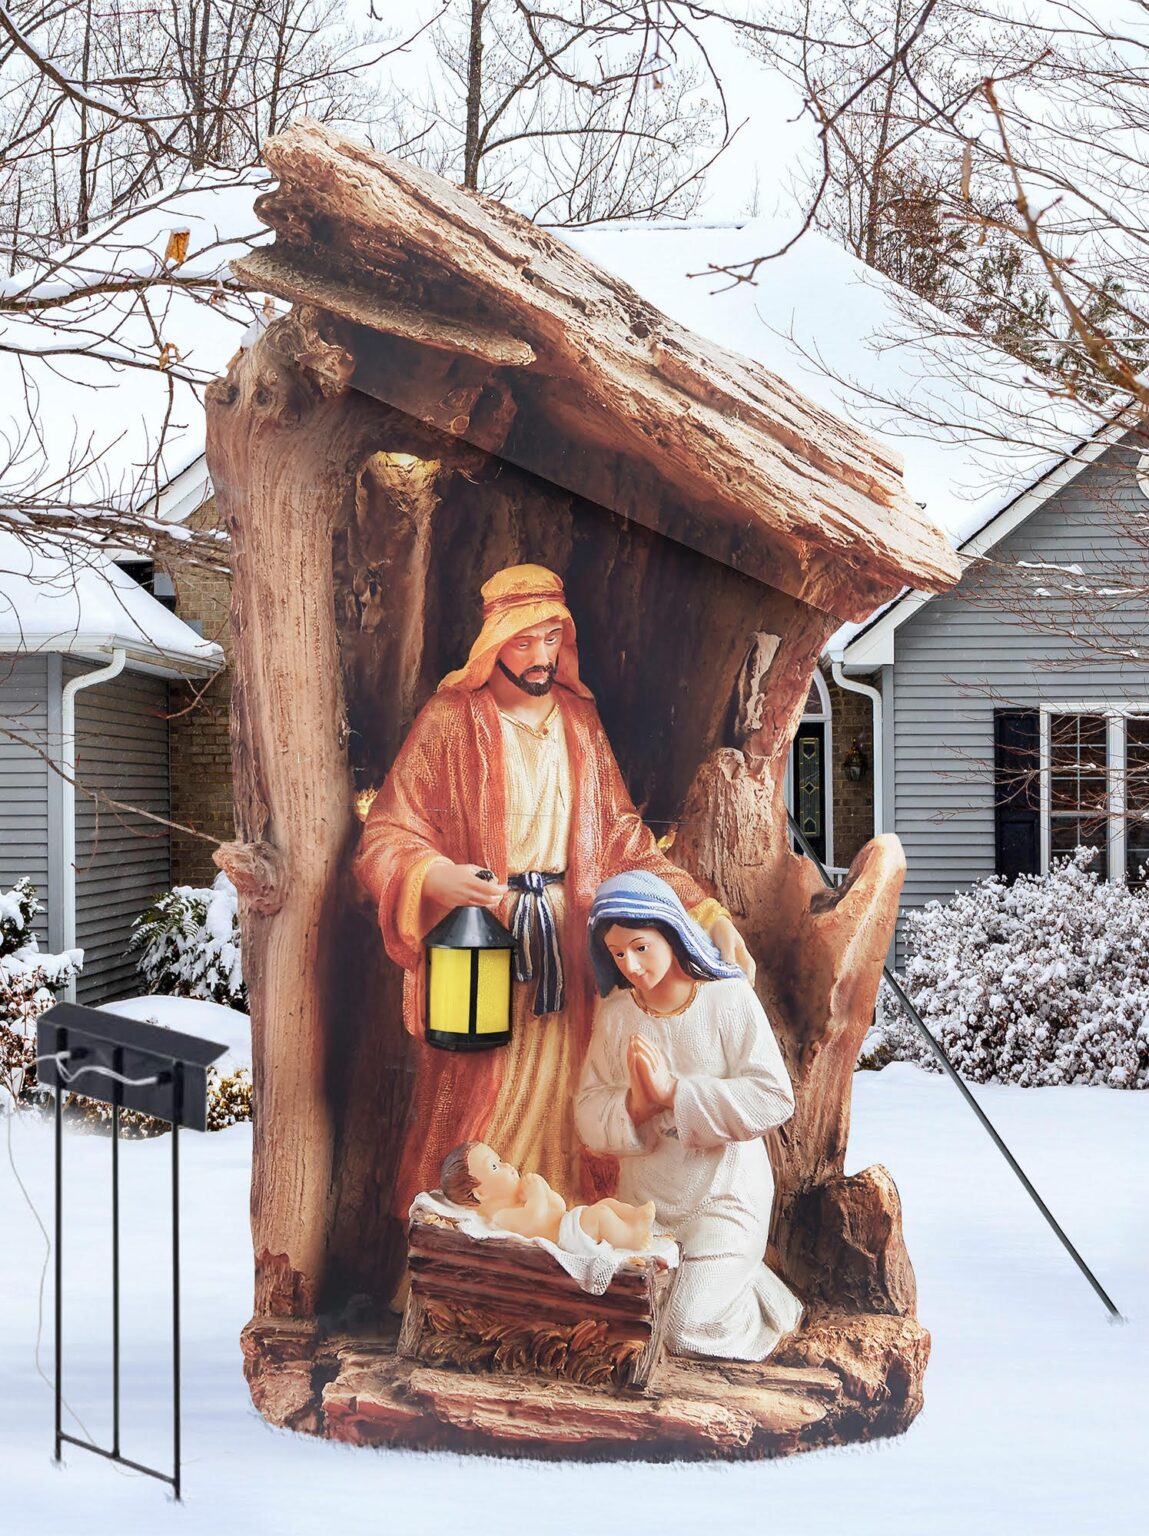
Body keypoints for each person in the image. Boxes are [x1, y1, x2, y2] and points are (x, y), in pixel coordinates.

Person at [354, 564, 753, 1222]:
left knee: (577, 1099)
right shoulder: (453, 719)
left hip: (570, 950)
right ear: (493, 642)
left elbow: (622, 838)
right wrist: (432, 876)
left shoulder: (577, 722)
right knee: (482, 1096)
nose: (539, 657)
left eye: (550, 639)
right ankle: (469, 1249)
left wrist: (696, 908)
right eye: (523, 641)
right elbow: (388, 832)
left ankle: (564, 1237)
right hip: (485, 945)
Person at [575, 870, 803, 1361]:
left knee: (681, 1329)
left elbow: (773, 1096)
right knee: (617, 1324)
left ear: (672, 933)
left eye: (640, 947)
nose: (631, 965)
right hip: (645, 1207)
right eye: (617, 954)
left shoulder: (728, 998)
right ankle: (725, 1277)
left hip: (724, 1198)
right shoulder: (616, 1015)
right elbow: (588, 1110)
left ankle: (761, 1299)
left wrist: (674, 1094)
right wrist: (637, 1105)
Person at [439, 1140, 656, 1252]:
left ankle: (634, 1217)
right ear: (480, 1193)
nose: (507, 1166)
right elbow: (533, 1222)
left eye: (500, 1159)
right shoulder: (500, 1216)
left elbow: (558, 1205)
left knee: (607, 1203)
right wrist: (536, 1195)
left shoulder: (520, 1198)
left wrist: (544, 1190)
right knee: (601, 1215)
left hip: (569, 1221)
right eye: (495, 1167)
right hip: (566, 1237)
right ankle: (630, 1239)